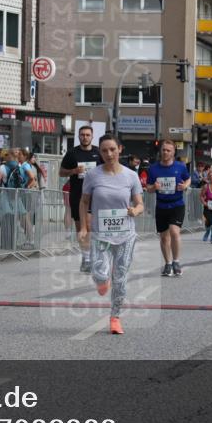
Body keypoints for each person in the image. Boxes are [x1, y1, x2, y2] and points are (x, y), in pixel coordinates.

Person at [78, 133, 145, 335]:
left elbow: (140, 203)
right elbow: (84, 202)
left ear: (119, 150)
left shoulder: (131, 175)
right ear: (100, 152)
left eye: (112, 149)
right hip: (101, 234)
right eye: (104, 150)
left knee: (120, 278)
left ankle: (115, 317)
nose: (109, 154)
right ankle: (101, 280)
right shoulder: (93, 175)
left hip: (125, 235)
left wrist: (136, 210)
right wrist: (83, 227)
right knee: (99, 273)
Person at [59, 125, 102, 272]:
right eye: (82, 135)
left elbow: (108, 170)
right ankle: (86, 257)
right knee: (80, 228)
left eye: (87, 135)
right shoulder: (72, 153)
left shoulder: (98, 152)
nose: (85, 137)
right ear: (78, 136)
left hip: (95, 195)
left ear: (92, 136)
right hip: (77, 194)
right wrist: (74, 171)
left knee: (89, 226)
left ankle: (92, 257)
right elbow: (61, 172)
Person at [146, 140, 191, 277]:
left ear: (173, 152)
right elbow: (148, 188)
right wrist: (154, 188)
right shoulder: (153, 169)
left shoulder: (181, 166)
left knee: (174, 232)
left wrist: (185, 186)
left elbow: (188, 179)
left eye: (168, 150)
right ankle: (168, 263)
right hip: (161, 205)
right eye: (163, 150)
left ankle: (176, 261)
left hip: (177, 204)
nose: (165, 152)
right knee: (164, 237)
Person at [0, 147, 37, 249]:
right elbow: (31, 179)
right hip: (18, 194)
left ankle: (9, 243)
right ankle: (30, 240)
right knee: (23, 218)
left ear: (9, 155)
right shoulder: (20, 167)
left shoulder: (3, 168)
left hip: (6, 195)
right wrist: (25, 187)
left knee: (7, 219)